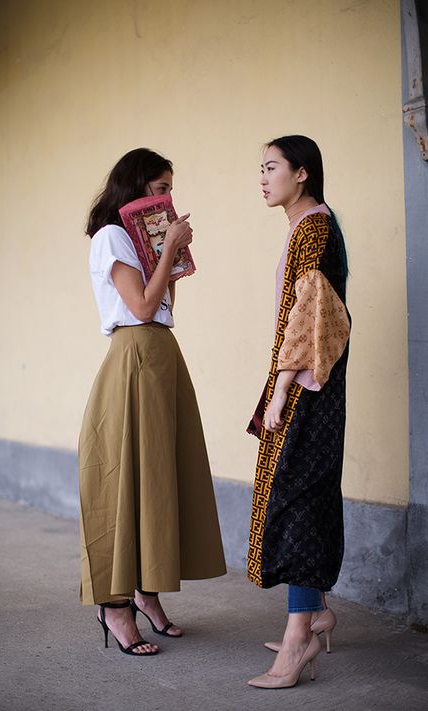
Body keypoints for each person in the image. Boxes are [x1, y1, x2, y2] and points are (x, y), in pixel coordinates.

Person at [79, 148, 226, 657]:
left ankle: (148, 591)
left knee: (159, 478)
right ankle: (115, 605)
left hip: (162, 353)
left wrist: (168, 254)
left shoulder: (141, 239)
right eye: (159, 187)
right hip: (135, 354)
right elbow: (140, 307)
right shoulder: (112, 236)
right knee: (127, 480)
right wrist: (168, 251)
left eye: (168, 188)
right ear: (137, 186)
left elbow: (162, 307)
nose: (166, 197)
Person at [246, 135, 351, 688]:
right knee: (305, 492)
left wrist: (282, 388)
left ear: (302, 173)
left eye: (271, 168)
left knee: (296, 501)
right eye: (260, 169)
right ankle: (316, 613)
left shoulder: (312, 226)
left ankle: (297, 642)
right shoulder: (313, 223)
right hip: (316, 382)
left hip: (309, 386)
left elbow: (311, 306)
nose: (263, 178)